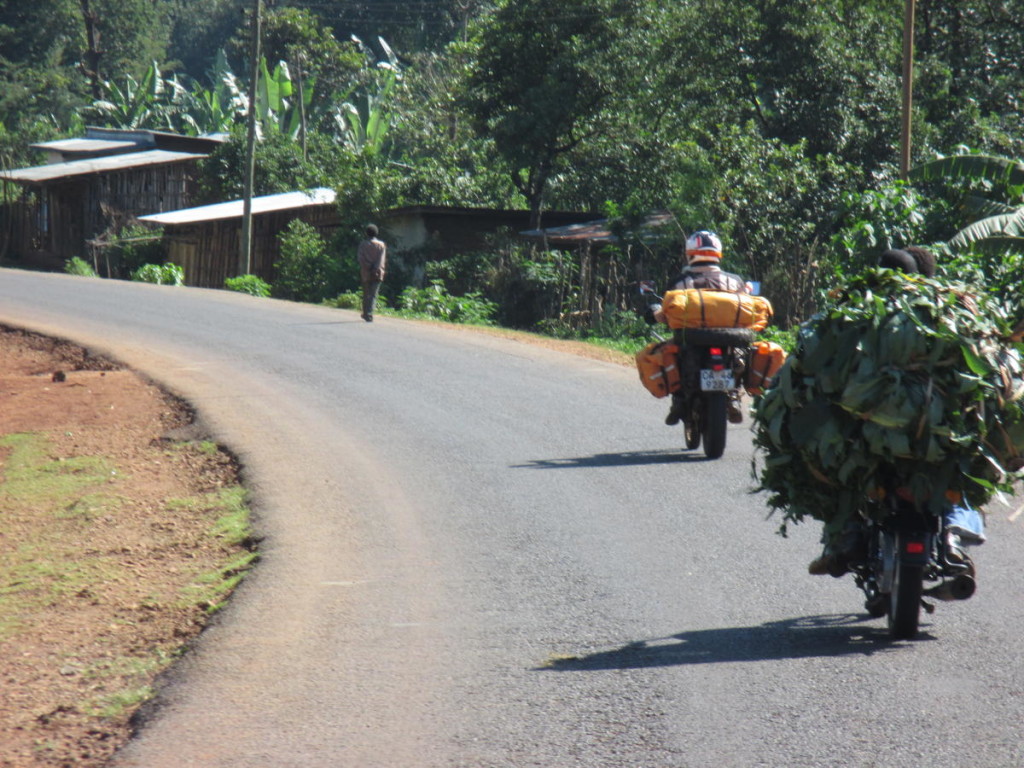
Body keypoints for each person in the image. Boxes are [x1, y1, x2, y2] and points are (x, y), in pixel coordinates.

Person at [808, 246, 986, 576]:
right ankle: (954, 536)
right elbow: (978, 375)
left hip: (871, 438)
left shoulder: (857, 311)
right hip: (935, 437)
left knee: (839, 474)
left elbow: (824, 369)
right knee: (958, 476)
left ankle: (846, 537)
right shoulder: (951, 311)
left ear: (878, 273)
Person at [652, 230, 751, 426]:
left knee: (673, 357)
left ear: (690, 253)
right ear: (718, 254)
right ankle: (733, 395)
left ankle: (678, 401)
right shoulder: (734, 281)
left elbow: (666, 313)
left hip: (691, 339)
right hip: (731, 339)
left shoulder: (680, 282)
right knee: (740, 359)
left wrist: (656, 314)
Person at [357, 224, 386, 322]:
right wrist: (375, 268)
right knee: (373, 294)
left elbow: (360, 259)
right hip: (378, 273)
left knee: (366, 294)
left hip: (366, 272)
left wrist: (367, 267)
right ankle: (369, 313)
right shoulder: (381, 245)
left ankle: (366, 313)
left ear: (366, 233)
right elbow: (381, 260)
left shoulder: (363, 245)